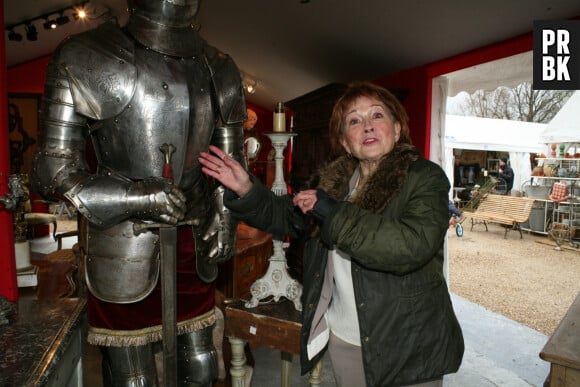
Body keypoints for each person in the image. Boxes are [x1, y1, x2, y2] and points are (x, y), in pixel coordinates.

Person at [30, 1, 246, 385]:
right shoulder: (88, 54)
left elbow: (231, 164)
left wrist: (225, 216)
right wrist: (137, 197)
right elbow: (53, 171)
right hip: (122, 241)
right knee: (134, 379)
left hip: (193, 243)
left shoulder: (219, 65)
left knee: (201, 365)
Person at [199, 81, 464, 386]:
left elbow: (409, 245)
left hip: (408, 344)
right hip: (346, 338)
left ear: (397, 127)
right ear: (345, 142)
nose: (367, 127)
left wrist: (331, 212)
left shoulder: (425, 178)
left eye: (377, 116)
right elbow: (287, 215)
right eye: (354, 120)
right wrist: (247, 188)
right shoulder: (334, 183)